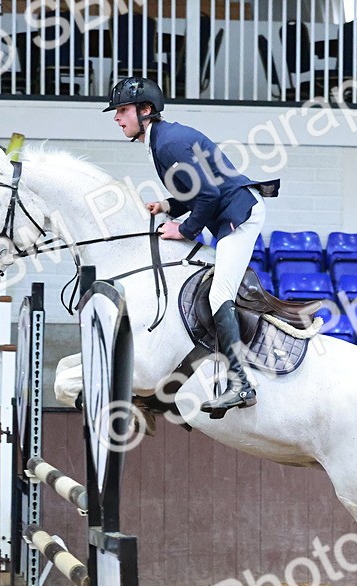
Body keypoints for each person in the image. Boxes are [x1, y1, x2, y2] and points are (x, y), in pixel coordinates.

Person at [104, 75, 279, 415]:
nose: (116, 118)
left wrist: (185, 231)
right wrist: (168, 206)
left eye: (122, 110)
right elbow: (197, 190)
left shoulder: (167, 143)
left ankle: (241, 383)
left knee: (219, 294)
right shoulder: (162, 139)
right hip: (227, 214)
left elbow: (210, 194)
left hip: (239, 217)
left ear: (146, 110)